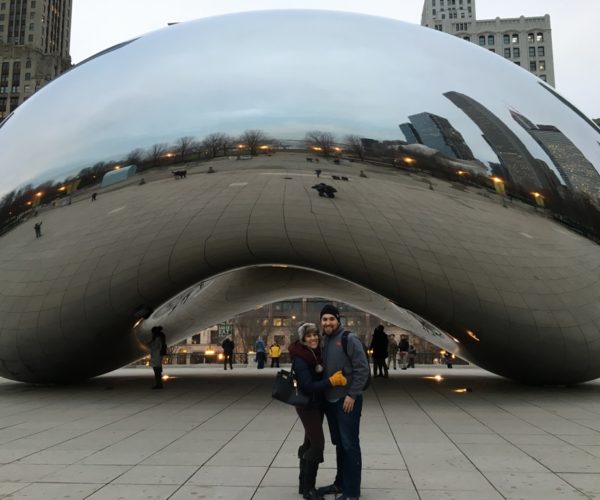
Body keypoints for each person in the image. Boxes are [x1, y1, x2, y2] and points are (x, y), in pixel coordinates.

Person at [289, 323, 347, 500]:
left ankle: (302, 483)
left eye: (315, 334)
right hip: (307, 406)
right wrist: (332, 382)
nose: (313, 338)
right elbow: (307, 385)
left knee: (309, 442)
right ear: (302, 339)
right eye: (308, 336)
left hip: (317, 404)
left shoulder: (316, 353)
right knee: (318, 444)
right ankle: (309, 489)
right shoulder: (300, 357)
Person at [318, 304, 369, 500]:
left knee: (350, 445)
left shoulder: (349, 338)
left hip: (347, 401)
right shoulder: (326, 340)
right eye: (324, 319)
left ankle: (352, 492)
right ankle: (340, 483)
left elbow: (362, 369)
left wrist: (352, 395)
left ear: (338, 320)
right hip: (331, 401)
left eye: (331, 319)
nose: (328, 322)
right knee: (340, 444)